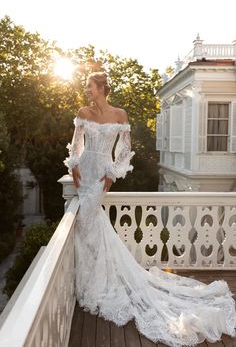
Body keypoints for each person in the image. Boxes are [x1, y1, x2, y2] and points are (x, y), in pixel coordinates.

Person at [64, 72, 236, 346]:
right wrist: (74, 168)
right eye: (86, 86)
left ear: (102, 89)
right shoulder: (83, 112)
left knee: (88, 220)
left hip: (99, 178)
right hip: (85, 171)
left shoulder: (120, 115)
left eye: (90, 87)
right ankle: (91, 281)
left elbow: (124, 150)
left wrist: (112, 175)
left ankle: (99, 282)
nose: (86, 90)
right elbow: (76, 144)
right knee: (88, 225)